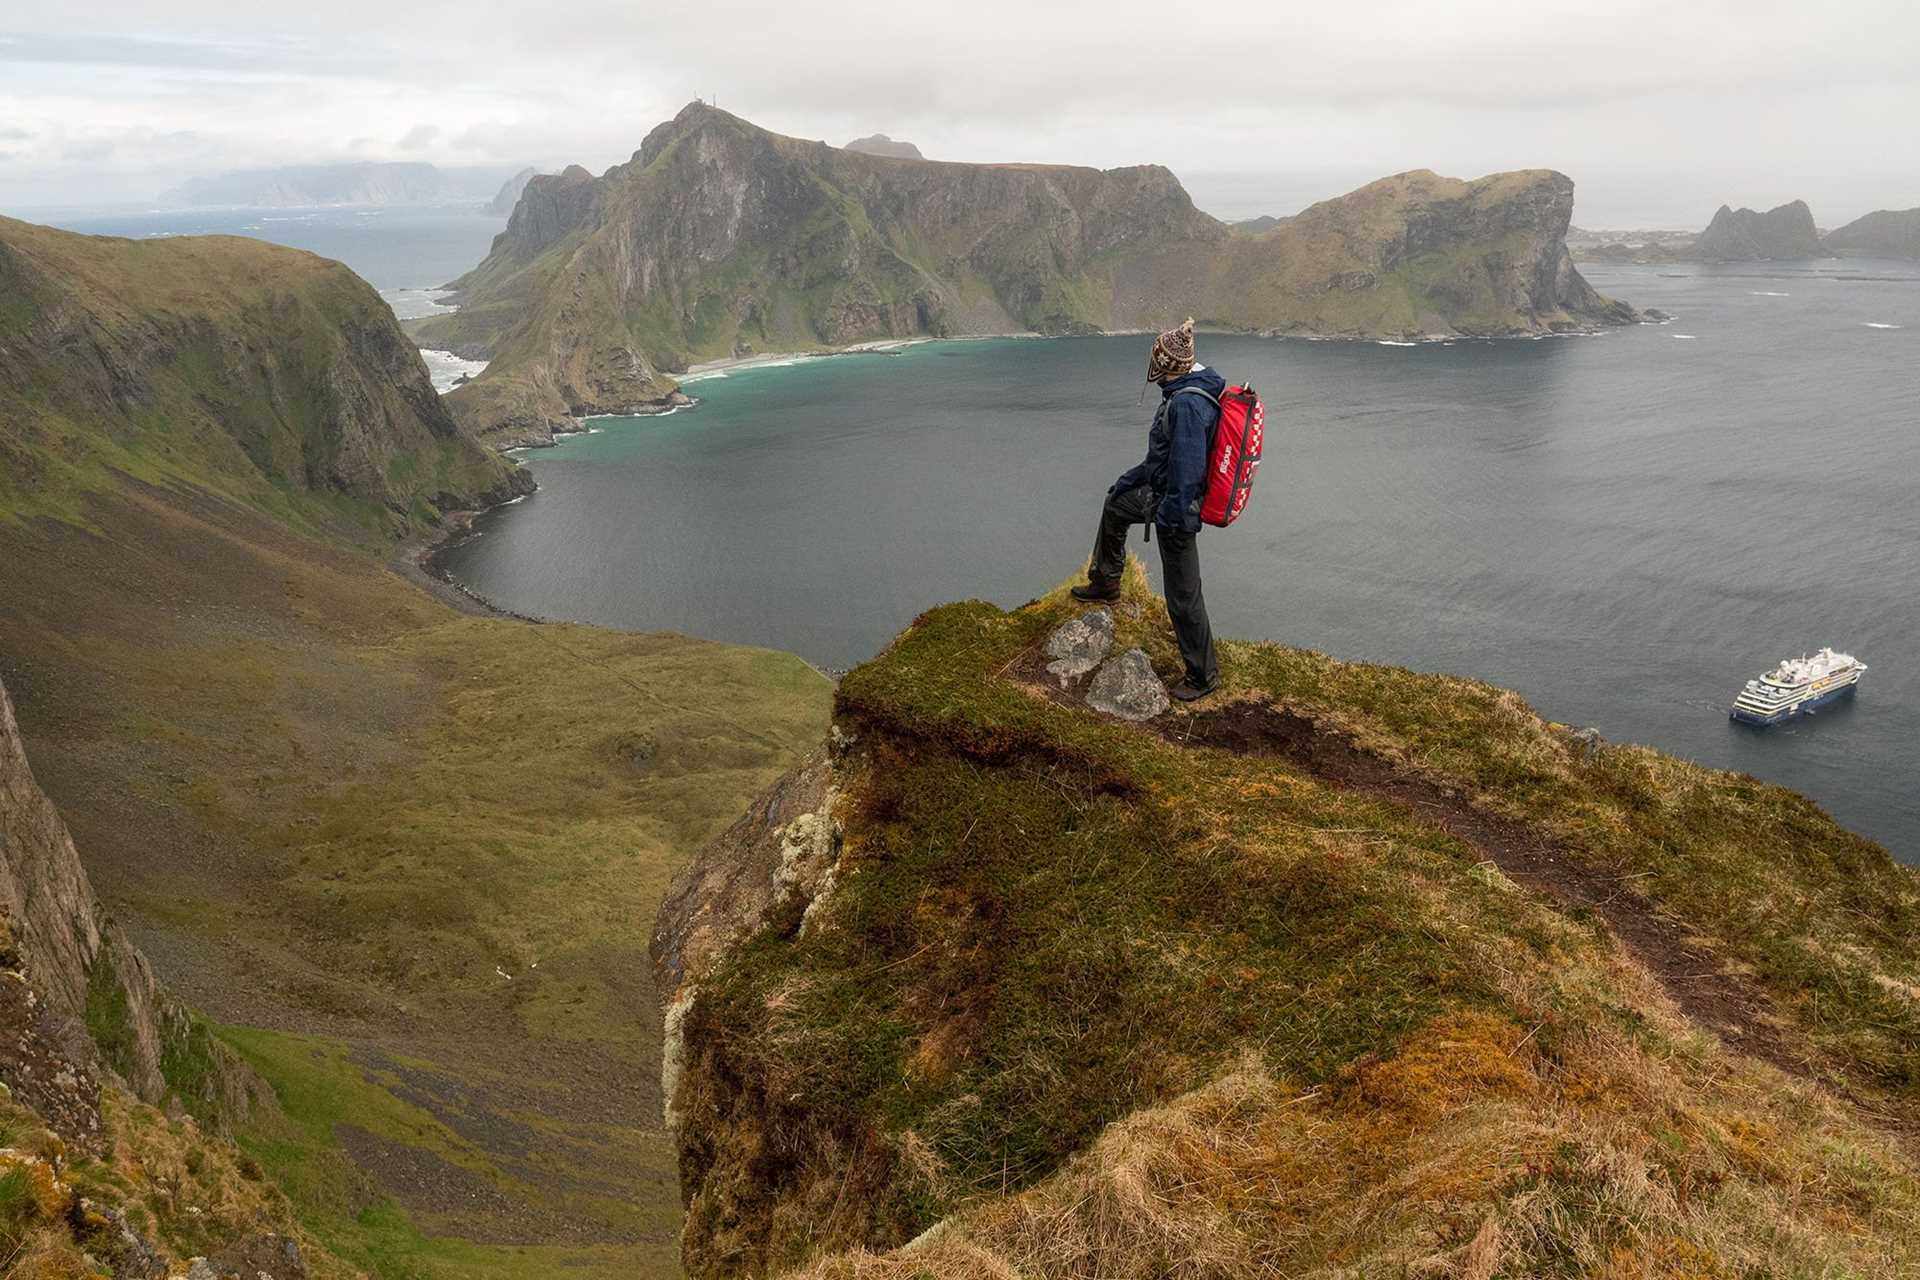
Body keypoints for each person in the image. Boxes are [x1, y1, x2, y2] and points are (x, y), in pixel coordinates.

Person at [1072, 318, 1223, 702]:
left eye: (1157, 361)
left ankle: (1203, 676)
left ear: (1168, 364)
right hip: (1164, 496)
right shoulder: (1184, 391)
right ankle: (1106, 580)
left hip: (1177, 511)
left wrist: (1171, 519)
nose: (1152, 369)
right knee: (1116, 503)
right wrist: (1130, 479)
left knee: (1183, 595)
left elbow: (1187, 474)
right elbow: (1162, 460)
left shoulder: (1187, 405)